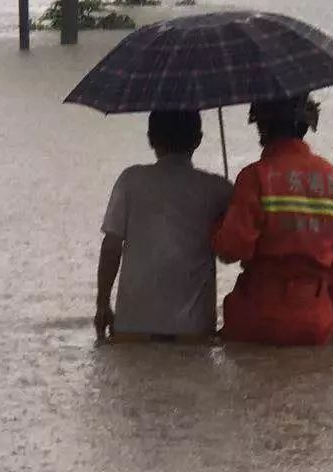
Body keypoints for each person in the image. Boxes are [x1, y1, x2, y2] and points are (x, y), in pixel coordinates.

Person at [213, 95, 333, 346]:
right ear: (306, 125)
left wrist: (220, 224)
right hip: (315, 316)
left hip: (258, 314)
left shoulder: (255, 176)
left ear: (263, 126)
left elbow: (230, 251)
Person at [96, 109, 231, 343]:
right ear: (198, 140)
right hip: (193, 331)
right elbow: (231, 252)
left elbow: (111, 247)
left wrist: (102, 304)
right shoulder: (218, 189)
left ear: (150, 138)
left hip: (133, 326)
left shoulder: (130, 180)